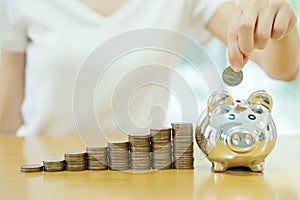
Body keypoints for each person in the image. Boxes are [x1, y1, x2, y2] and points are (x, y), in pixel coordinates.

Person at [0, 0, 299, 137]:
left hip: (142, 178)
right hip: (42, 174)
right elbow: (6, 118)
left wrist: (278, 25)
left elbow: (281, 68)